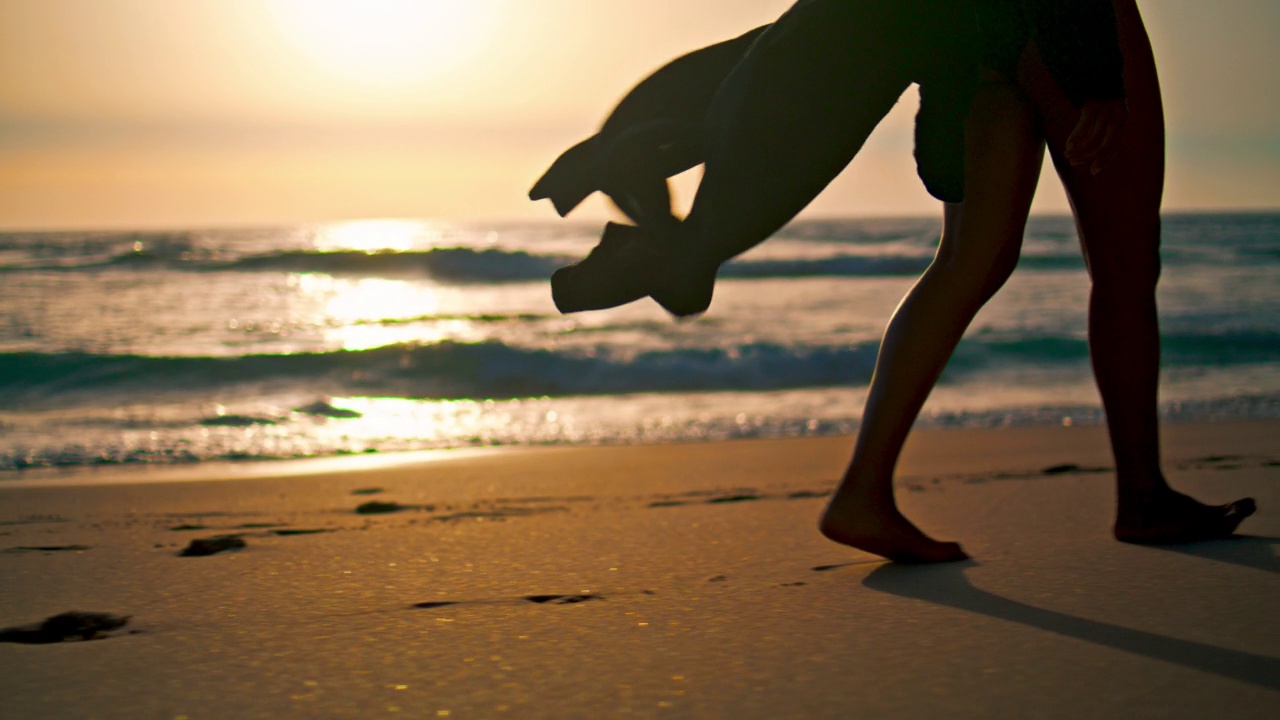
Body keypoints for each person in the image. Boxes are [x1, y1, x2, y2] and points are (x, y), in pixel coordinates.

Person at [539, 0, 1257, 562]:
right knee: (1126, 260)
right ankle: (1142, 495)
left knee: (970, 260)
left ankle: (864, 491)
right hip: (1070, 21)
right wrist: (1099, 79)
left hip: (964, 39)